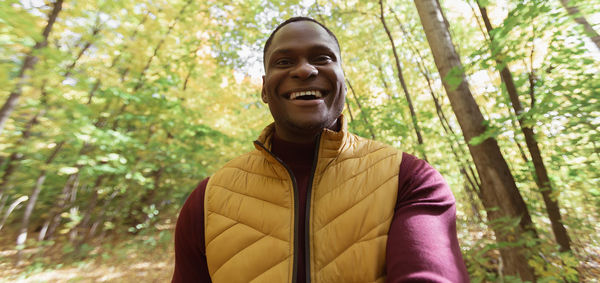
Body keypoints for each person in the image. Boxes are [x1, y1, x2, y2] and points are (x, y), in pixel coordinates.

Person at [172, 16, 469, 283]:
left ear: (343, 81)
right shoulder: (207, 200)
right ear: (264, 89)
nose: (304, 69)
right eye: (284, 62)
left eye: (322, 58)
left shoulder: (409, 179)